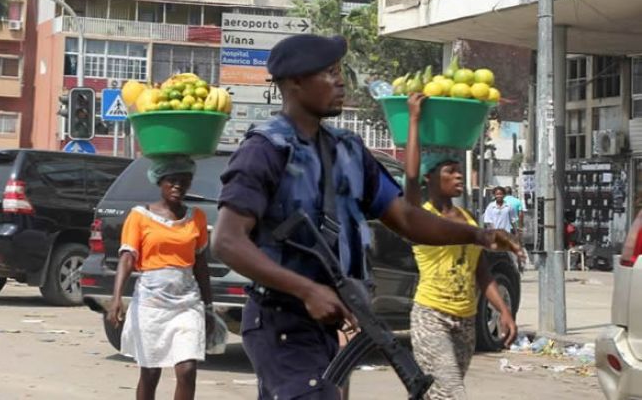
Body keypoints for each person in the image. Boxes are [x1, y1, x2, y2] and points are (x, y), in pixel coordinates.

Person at [211, 34, 520, 400]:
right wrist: (307, 289)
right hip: (281, 319)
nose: (341, 81)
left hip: (329, 321)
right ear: (293, 82)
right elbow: (227, 241)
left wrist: (478, 236)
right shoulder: (264, 150)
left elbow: (405, 217)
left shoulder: (349, 150)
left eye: (340, 71)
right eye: (329, 73)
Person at [404, 94, 518, 400]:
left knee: (433, 393)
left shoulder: (468, 218)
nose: (458, 176)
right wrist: (414, 119)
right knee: (452, 393)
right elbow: (411, 176)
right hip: (431, 317)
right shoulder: (420, 215)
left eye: (459, 170)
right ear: (431, 177)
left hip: (465, 320)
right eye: (449, 171)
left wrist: (504, 310)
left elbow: (481, 273)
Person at [107, 156, 214, 400]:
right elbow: (127, 257)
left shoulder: (196, 217)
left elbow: (201, 264)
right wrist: (116, 298)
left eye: (184, 181)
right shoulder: (140, 216)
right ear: (160, 182)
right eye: (172, 181)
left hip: (187, 301)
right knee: (151, 371)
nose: (178, 186)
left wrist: (208, 306)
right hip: (151, 304)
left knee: (187, 370)